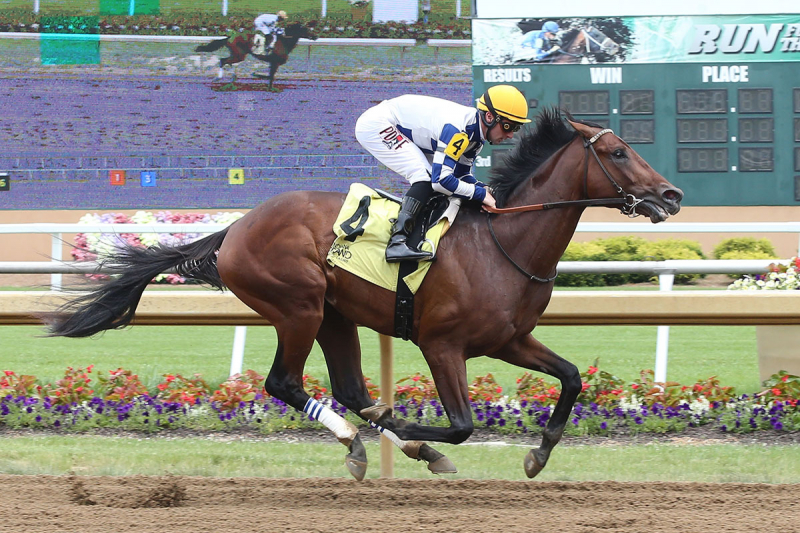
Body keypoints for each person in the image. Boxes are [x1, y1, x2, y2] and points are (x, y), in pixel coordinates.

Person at [355, 85, 530, 262]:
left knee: (435, 180)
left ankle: (417, 236)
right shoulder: (459, 130)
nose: (510, 135)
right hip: (379, 124)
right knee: (425, 177)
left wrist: (485, 189)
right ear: (490, 116)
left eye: (515, 128)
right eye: (508, 126)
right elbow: (440, 180)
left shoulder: (476, 138)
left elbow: (461, 176)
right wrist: (479, 194)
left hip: (397, 122)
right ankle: (397, 242)